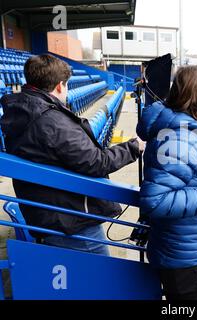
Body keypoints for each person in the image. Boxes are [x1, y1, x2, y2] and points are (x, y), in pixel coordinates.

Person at [0, 54, 144, 255]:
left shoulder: (21, 109)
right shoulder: (51, 121)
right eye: (66, 86)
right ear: (60, 86)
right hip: (70, 221)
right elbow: (96, 162)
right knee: (99, 278)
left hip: (48, 212)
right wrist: (133, 147)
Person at [136, 65, 197, 300]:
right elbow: (156, 201)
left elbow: (188, 172)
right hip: (184, 259)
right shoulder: (180, 136)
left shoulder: (183, 127)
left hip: (183, 249)